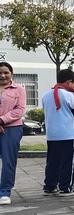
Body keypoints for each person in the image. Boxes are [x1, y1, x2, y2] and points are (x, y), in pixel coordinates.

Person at [41, 69, 74, 196]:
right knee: (68, 162)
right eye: (73, 83)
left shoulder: (46, 95)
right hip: (68, 134)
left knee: (52, 162)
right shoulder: (68, 95)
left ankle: (49, 186)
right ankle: (66, 187)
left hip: (52, 135)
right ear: (69, 82)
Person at [0, 61, 26, 205]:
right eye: (0, 73)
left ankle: (4, 192)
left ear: (12, 74)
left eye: (6, 72)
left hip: (11, 128)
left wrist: (1, 120)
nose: (3, 75)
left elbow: (19, 110)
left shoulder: (19, 89)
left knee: (8, 161)